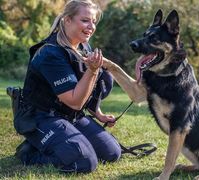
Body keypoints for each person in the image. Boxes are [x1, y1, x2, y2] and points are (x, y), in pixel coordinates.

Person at [14, 0, 121, 173]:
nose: (91, 26)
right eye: (85, 20)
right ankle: (28, 153)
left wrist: (98, 113)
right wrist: (92, 71)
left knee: (111, 153)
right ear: (67, 20)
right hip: (41, 117)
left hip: (69, 116)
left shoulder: (83, 46)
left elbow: (85, 89)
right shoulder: (50, 53)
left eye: (93, 21)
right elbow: (75, 101)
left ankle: (54, 143)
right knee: (85, 161)